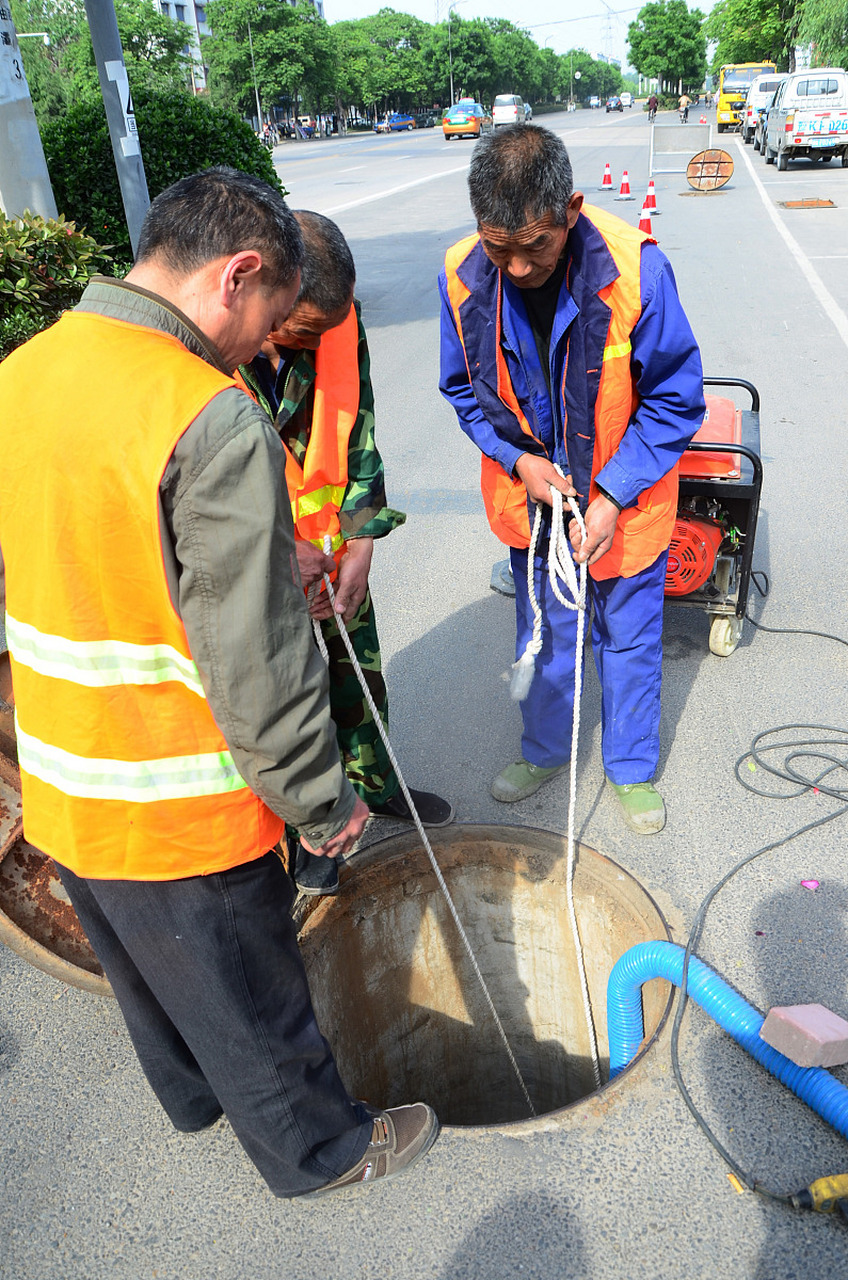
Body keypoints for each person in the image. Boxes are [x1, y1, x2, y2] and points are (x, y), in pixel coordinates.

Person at [0, 168, 438, 1196]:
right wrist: (320, 799)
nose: (260, 350)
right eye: (270, 319)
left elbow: (84, 546)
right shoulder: (203, 412)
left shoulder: (27, 368)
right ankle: (320, 1152)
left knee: (151, 974)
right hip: (176, 796)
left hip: (66, 782)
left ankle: (194, 1098)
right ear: (237, 273)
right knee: (250, 982)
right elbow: (257, 661)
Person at [438, 126, 704, 834]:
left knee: (629, 637)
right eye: (501, 248)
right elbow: (466, 391)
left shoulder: (636, 270)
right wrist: (520, 461)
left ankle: (630, 768)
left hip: (627, 502)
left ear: (572, 210)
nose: (519, 268)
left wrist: (615, 494)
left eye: (537, 247)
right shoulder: (461, 272)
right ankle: (547, 750)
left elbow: (676, 398)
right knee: (546, 634)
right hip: (535, 505)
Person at [240, 210, 454, 896]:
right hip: (254, 566)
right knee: (285, 702)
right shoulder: (205, 352)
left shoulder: (336, 318)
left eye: (319, 332)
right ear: (265, 295)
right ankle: (303, 839)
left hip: (332, 552)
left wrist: (361, 543)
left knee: (356, 677)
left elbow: (359, 431)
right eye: (296, 331)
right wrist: (278, 553)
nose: (308, 344)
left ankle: (372, 785)